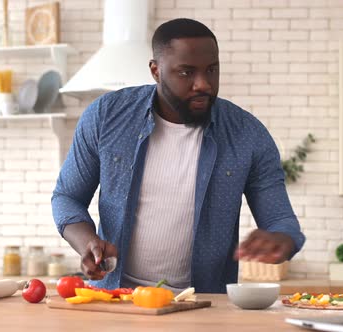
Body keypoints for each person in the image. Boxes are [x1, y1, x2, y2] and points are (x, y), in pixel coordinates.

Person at [52, 18, 305, 294]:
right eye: (187, 73)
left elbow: (282, 221)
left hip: (202, 306)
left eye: (212, 70)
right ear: (156, 71)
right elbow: (67, 197)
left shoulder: (248, 134)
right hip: (118, 299)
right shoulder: (106, 116)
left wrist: (282, 239)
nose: (203, 84)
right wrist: (86, 241)